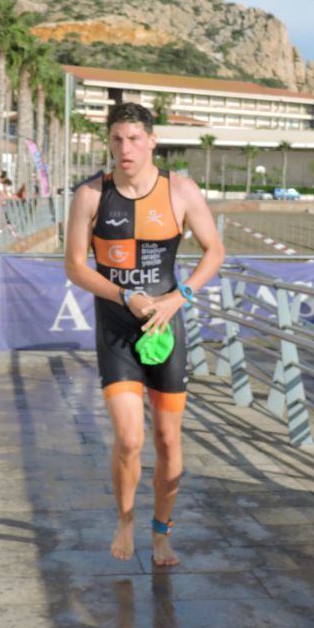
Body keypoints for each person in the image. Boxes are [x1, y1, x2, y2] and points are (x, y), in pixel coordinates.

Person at [64, 102, 225, 568]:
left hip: (165, 329)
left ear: (152, 141)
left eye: (134, 139)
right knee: (130, 439)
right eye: (116, 139)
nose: (124, 148)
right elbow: (75, 267)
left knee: (169, 441)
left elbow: (215, 251)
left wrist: (181, 297)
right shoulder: (92, 195)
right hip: (117, 328)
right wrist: (125, 296)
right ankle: (126, 518)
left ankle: (161, 532)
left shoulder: (180, 190)